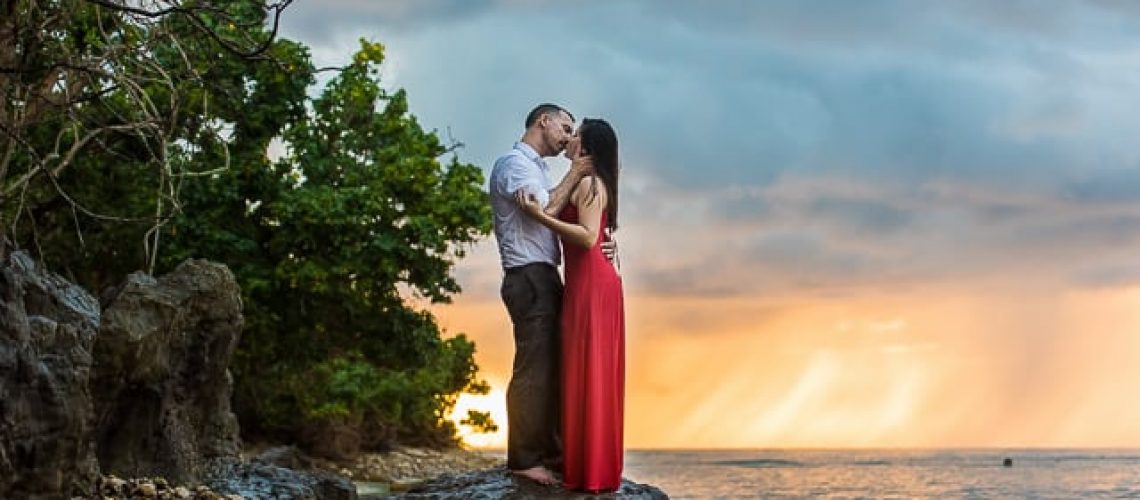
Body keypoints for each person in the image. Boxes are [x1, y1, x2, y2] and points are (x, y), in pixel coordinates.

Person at [517, 118, 625, 493]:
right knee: (581, 369)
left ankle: (592, 470)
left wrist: (539, 217)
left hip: (593, 285)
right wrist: (544, 212)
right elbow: (587, 227)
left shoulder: (592, 184)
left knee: (589, 369)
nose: (570, 138)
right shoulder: (582, 181)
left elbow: (587, 236)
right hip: (585, 283)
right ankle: (584, 464)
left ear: (588, 146)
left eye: (576, 133)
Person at [489, 103, 595, 485]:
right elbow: (546, 207)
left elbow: (548, 208)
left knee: (550, 367)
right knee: (534, 369)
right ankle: (524, 458)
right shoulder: (513, 164)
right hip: (528, 275)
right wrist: (576, 171)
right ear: (543, 121)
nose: (568, 136)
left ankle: (550, 453)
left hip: (542, 276)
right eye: (565, 127)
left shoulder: (536, 169)